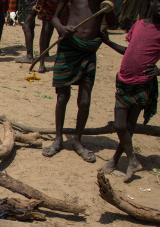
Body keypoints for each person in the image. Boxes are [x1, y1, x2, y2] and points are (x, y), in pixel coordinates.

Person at [41, 0, 116, 163]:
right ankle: (58, 139)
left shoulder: (105, 1)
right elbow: (55, 18)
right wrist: (61, 28)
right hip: (68, 47)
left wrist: (108, 9)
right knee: (62, 97)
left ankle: (77, 141)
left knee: (84, 101)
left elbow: (114, 24)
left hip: (89, 51)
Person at [99, 1, 160, 182]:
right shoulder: (138, 25)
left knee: (129, 125)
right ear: (152, 2)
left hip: (142, 84)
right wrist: (108, 42)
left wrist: (159, 71)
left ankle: (116, 159)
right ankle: (132, 159)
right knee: (120, 125)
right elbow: (129, 51)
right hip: (124, 81)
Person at [37, 0, 69, 72]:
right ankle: (59, 63)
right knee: (62, 33)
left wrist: (39, 4)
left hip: (50, 5)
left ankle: (41, 64)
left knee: (45, 31)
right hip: (60, 6)